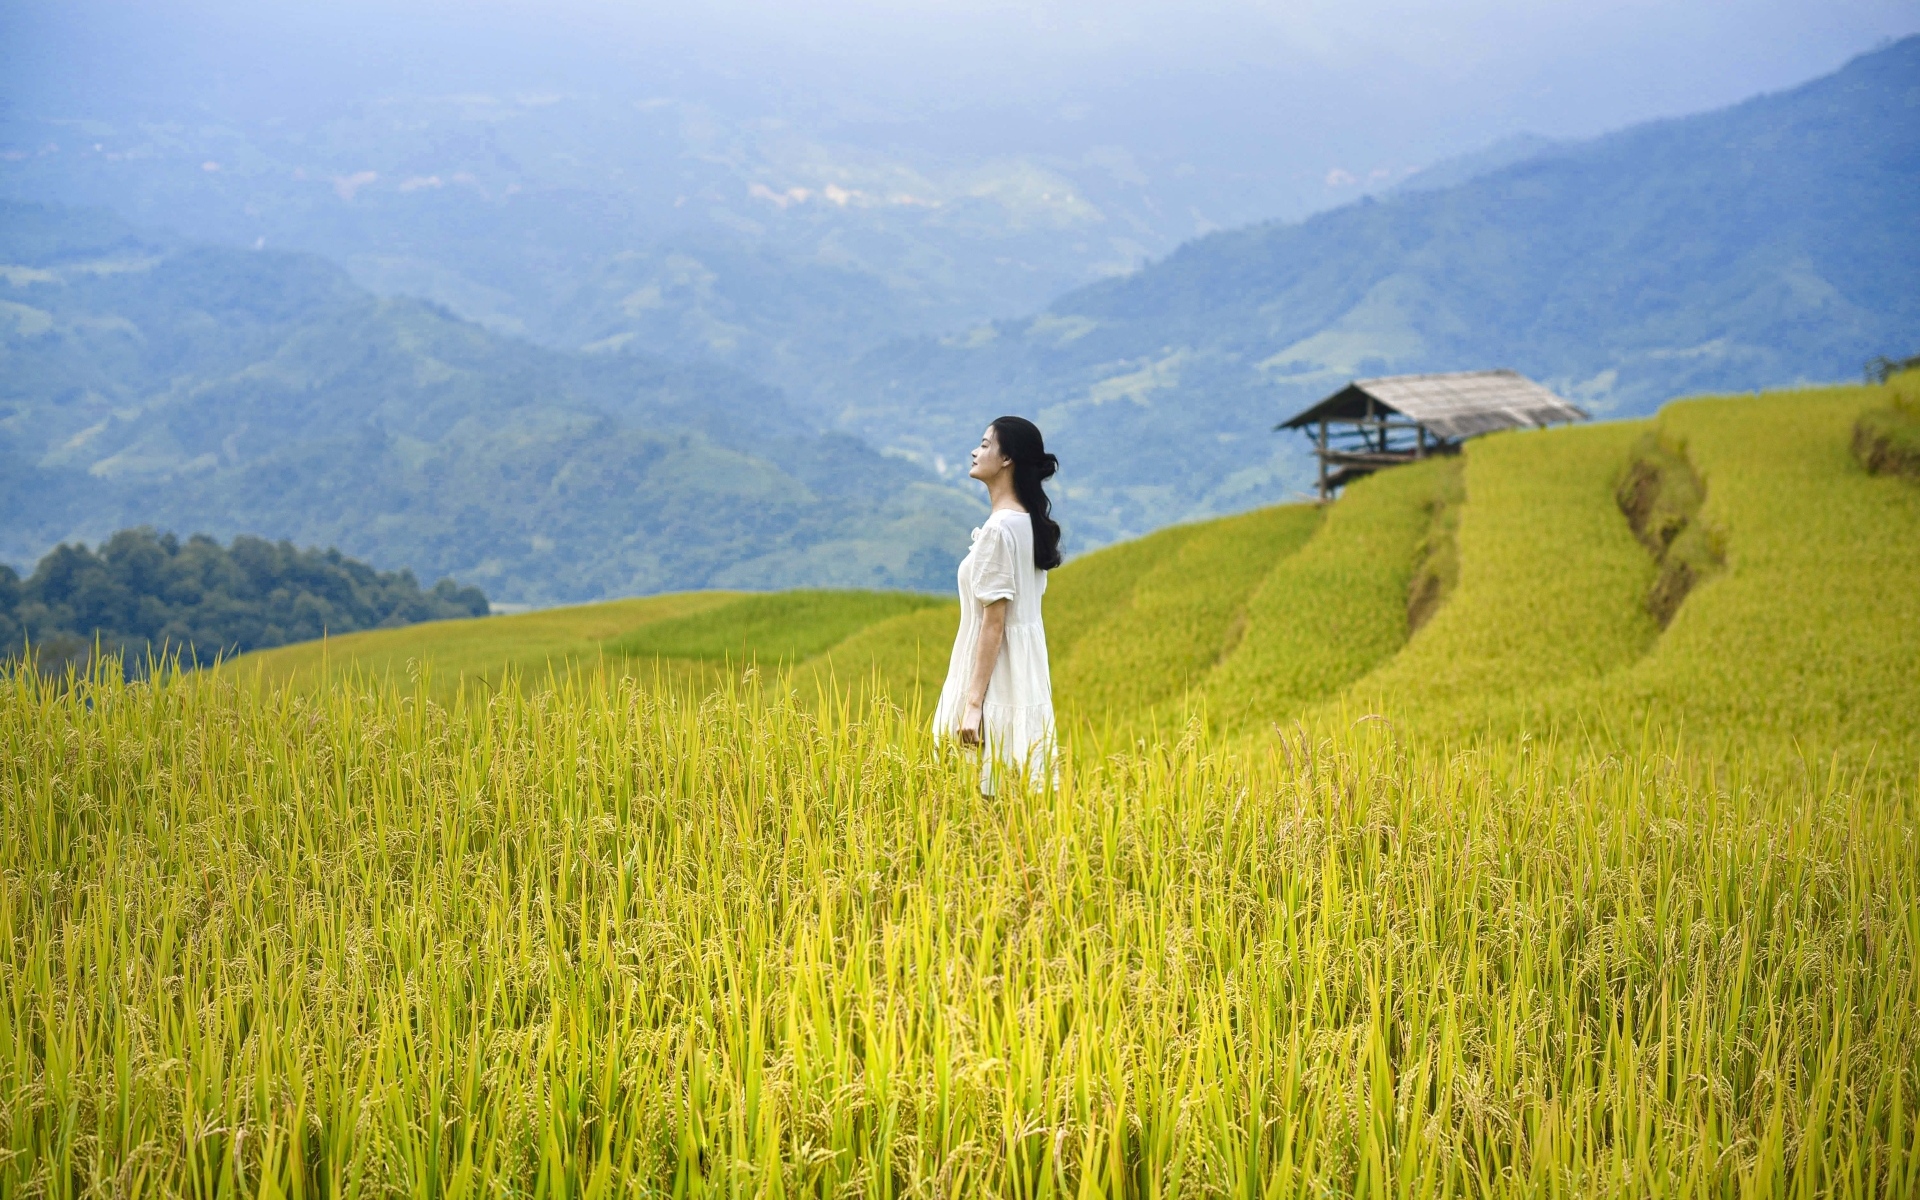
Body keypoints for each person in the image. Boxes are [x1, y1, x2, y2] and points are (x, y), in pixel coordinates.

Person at [932, 416, 1062, 792]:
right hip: (1024, 676)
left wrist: (973, 704)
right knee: (1014, 796)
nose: (976, 451)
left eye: (986, 444)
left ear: (1007, 460)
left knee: (976, 794)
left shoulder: (998, 530)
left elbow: (994, 623)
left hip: (995, 679)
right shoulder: (1027, 524)